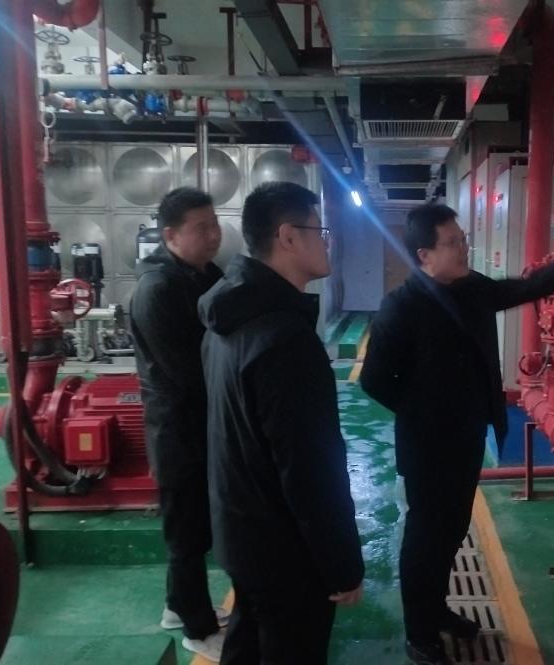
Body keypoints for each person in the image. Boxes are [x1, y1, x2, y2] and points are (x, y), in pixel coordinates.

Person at [360, 203, 554, 665]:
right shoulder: (402, 307)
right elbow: (375, 380)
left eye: (463, 239)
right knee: (426, 537)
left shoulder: (471, 288)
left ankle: (437, 609)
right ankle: (420, 633)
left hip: (469, 435)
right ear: (424, 255)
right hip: (428, 446)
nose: (463, 248)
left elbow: (524, 287)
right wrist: (427, 414)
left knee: (454, 530)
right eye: (452, 242)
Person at [199, 181, 364, 665]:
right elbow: (310, 472)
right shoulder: (285, 339)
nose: (328, 242)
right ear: (288, 236)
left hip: (242, 534)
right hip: (287, 552)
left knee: (248, 645)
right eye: (321, 231)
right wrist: (342, 564)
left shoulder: (226, 321)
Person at [130, 187, 227, 662]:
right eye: (201, 228)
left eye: (215, 224)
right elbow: (188, 372)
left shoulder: (204, 274)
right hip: (177, 429)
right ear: (170, 235)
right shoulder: (159, 289)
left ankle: (176, 606)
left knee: (194, 524)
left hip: (199, 424)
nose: (213, 235)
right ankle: (198, 628)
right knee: (186, 532)